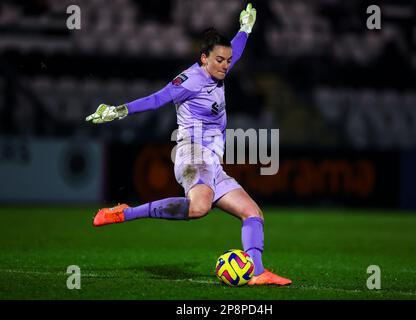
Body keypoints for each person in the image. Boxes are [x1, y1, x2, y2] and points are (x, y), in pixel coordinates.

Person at [86, 3, 291, 286]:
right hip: (192, 153)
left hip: (212, 161)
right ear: (204, 57)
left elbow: (236, 50)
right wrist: (119, 110)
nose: (226, 65)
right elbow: (157, 99)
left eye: (228, 61)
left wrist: (246, 28)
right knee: (198, 209)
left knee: (253, 213)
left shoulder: (219, 68)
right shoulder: (189, 80)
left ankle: (257, 272)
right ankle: (124, 213)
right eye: (220, 60)